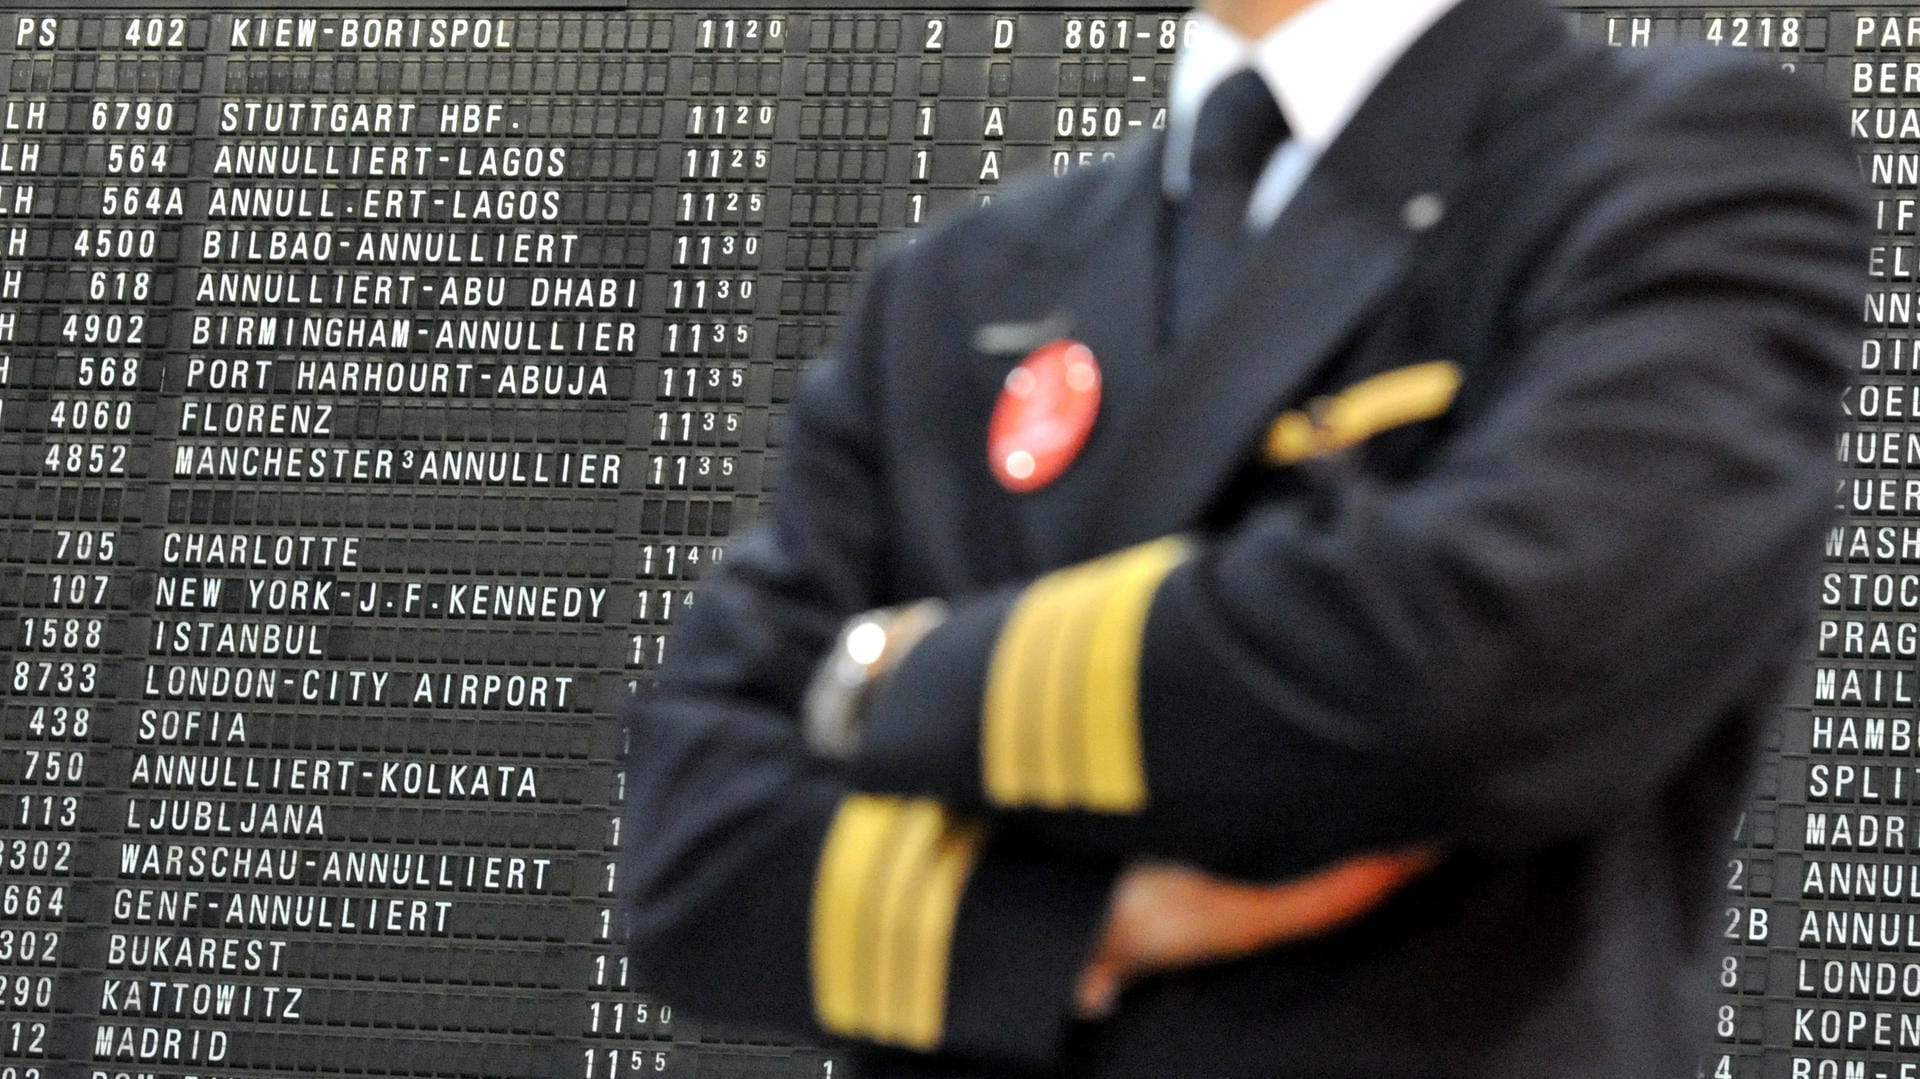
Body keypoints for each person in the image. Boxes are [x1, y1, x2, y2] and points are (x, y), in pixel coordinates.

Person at [618, 0, 1867, 1074]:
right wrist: (1084, 920)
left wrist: (886, 682)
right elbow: (694, 845)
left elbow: (1479, 658)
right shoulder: (956, 280)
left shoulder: (1676, 160)